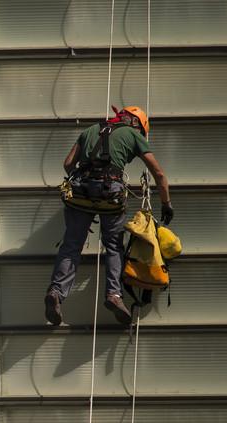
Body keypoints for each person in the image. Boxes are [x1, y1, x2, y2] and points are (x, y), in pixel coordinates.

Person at [45, 106, 172, 325]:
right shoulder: (133, 134)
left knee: (71, 245)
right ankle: (113, 295)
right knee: (113, 246)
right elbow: (158, 173)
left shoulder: (91, 129)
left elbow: (68, 164)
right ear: (136, 123)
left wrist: (86, 183)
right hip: (110, 194)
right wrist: (166, 203)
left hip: (80, 192)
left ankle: (56, 292)